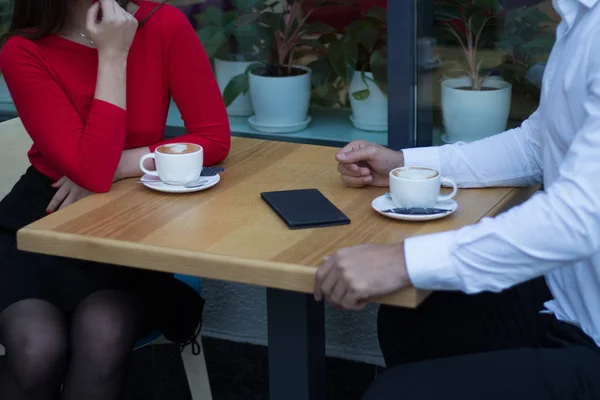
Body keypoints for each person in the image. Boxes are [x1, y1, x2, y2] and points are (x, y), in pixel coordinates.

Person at [314, 0, 600, 399]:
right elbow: (537, 144)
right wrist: (405, 165)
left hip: (593, 335)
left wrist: (403, 260)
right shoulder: (581, 20)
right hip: (571, 300)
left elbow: (581, 217)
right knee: (416, 316)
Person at [0, 0, 230, 399]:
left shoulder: (163, 23)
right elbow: (87, 169)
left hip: (130, 226)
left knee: (103, 332)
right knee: (36, 347)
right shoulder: (23, 51)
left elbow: (212, 139)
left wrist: (120, 165)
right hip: (43, 218)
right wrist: (112, 54)